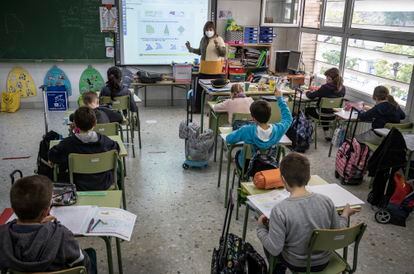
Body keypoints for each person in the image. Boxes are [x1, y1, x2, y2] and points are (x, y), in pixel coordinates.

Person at [257, 152, 358, 274]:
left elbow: (274, 249)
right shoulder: (326, 201)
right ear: (309, 178)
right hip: (324, 261)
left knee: (269, 237)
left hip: (297, 264)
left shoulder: (279, 210)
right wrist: (345, 215)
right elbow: (337, 231)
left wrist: (261, 228)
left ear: (282, 179)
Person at [0, 175, 97, 274]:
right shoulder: (62, 236)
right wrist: (52, 226)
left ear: (14, 208)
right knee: (90, 255)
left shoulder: (3, 234)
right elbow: (82, 264)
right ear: (45, 212)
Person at [49, 106, 120, 190]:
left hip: (77, 183)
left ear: (74, 124)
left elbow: (53, 155)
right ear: (95, 123)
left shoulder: (68, 143)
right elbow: (117, 149)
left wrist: (73, 133)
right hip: (103, 182)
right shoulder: (105, 141)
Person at [226, 88, 292, 170]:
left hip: (248, 168)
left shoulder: (246, 130)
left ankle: (244, 178)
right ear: (270, 115)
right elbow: (288, 118)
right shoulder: (278, 129)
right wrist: (280, 98)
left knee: (238, 153)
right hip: (269, 166)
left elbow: (229, 139)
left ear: (253, 118)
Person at [185, 21, 226, 113]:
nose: (208, 31)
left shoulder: (219, 39)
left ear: (214, 30)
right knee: (199, 91)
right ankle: (197, 109)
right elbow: (200, 51)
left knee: (216, 92)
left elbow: (223, 53)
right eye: (207, 30)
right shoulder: (203, 39)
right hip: (204, 69)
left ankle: (216, 110)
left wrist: (218, 46)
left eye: (210, 29)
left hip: (215, 70)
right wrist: (190, 49)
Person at [305, 67, 346, 141]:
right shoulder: (343, 88)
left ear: (331, 78)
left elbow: (311, 96)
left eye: (327, 78)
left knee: (307, 110)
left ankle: (306, 132)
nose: (326, 79)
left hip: (320, 114)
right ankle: (326, 132)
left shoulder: (325, 87)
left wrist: (307, 92)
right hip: (334, 115)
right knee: (326, 109)